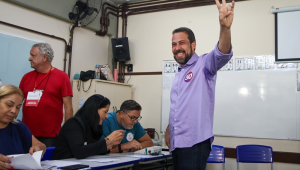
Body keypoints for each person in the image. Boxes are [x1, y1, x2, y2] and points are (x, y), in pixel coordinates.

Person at [164, 0, 235, 169]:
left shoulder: (203, 64)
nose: (177, 48)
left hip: (194, 143)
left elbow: (222, 53)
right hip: (176, 143)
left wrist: (225, 27)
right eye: (174, 44)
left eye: (182, 43)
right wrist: (169, 129)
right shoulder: (179, 73)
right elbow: (178, 106)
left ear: (193, 45)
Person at [19, 43, 73, 147]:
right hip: (26, 134)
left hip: (50, 136)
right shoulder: (26, 77)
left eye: (33, 55)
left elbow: (68, 107)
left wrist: (67, 133)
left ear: (44, 57)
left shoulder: (62, 77)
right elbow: (17, 103)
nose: (29, 58)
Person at [52, 94, 124, 160]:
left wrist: (111, 144)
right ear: (94, 110)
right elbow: (79, 152)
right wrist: (108, 141)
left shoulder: (93, 126)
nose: (106, 116)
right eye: (105, 112)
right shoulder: (74, 124)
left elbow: (94, 149)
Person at [0, 84, 46, 170]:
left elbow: (41, 145)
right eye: (9, 105)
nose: (14, 111)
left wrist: (38, 148)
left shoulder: (18, 126)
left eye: (18, 107)